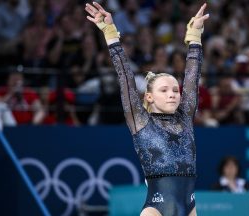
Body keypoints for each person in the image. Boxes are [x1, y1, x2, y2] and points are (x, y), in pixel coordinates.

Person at [85, 2, 209, 215]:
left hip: (189, 207)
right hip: (157, 209)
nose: (172, 93)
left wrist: (195, 37)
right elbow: (125, 78)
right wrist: (110, 33)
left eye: (174, 90)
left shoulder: (185, 117)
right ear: (149, 97)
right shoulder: (140, 121)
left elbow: (191, 77)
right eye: (164, 90)